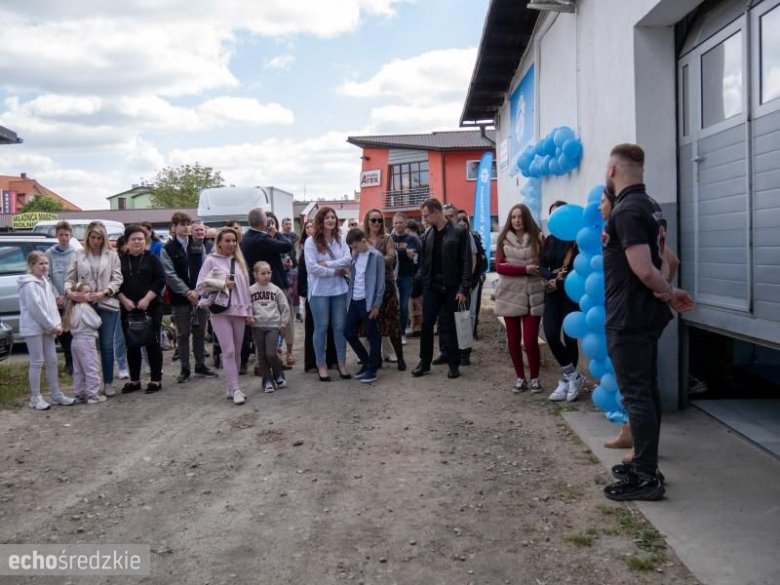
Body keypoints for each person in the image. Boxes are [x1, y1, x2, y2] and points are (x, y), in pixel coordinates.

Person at [601, 143, 694, 502]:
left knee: (636, 394)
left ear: (612, 170)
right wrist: (667, 286)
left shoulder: (626, 209)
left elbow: (644, 267)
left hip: (629, 317)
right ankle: (645, 463)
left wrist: (666, 291)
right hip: (643, 314)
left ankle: (644, 474)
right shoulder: (650, 206)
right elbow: (668, 259)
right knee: (647, 390)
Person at [411, 198, 471, 379]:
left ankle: (453, 364)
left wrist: (463, 289)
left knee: (450, 326)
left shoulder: (459, 232)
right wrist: (419, 285)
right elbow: (423, 263)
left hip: (452, 287)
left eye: (426, 215)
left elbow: (466, 262)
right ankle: (425, 362)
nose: (425, 219)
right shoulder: (428, 234)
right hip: (431, 287)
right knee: (427, 324)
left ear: (437, 212)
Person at [64, 222, 123, 397]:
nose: (96, 241)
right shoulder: (78, 254)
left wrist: (104, 292)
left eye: (99, 238)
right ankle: (86, 386)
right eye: (93, 237)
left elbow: (117, 278)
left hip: (106, 303)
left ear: (104, 238)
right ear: (87, 237)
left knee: (106, 345)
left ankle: (108, 382)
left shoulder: (112, 254)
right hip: (84, 304)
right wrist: (70, 293)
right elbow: (69, 278)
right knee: (85, 346)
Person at [197, 227, 253, 405]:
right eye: (227, 240)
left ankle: (232, 385)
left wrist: (249, 312)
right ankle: (236, 389)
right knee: (228, 351)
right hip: (220, 311)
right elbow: (199, 287)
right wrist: (222, 284)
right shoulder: (211, 260)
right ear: (219, 242)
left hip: (239, 310)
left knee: (236, 351)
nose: (231, 244)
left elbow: (245, 290)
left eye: (234, 240)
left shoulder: (239, 261)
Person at [161, 212, 218, 384]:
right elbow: (169, 275)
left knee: (200, 331)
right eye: (181, 224)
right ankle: (185, 368)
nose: (186, 227)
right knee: (183, 333)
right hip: (180, 299)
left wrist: (198, 291)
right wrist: (187, 292)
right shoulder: (167, 249)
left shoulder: (198, 246)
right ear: (174, 227)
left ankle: (200, 365)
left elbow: (205, 270)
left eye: (188, 223)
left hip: (199, 296)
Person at [494, 204, 545, 393]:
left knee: (531, 340)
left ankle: (535, 378)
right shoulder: (502, 240)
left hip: (534, 295)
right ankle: (520, 378)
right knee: (513, 340)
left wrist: (518, 267)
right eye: (514, 217)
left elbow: (543, 263)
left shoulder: (539, 238)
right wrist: (524, 269)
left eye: (520, 217)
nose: (517, 220)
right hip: (509, 295)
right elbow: (500, 267)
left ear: (526, 218)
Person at [18, 251, 76, 410]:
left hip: (48, 328)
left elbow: (51, 306)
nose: (44, 267)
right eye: (40, 264)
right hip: (34, 328)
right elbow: (36, 309)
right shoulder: (29, 284)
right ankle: (35, 398)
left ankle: (56, 394)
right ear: (31, 266)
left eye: (46, 263)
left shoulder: (44, 282)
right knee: (37, 361)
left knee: (52, 360)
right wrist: (51, 326)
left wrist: (56, 325)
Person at [541, 201, 584, 403]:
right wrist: (549, 276)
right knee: (550, 334)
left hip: (570, 294)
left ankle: (569, 381)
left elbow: (581, 270)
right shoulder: (549, 240)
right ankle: (572, 375)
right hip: (552, 293)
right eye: (552, 215)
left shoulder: (577, 241)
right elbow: (540, 264)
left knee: (570, 337)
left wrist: (559, 282)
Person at [242, 208, 295, 370]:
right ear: (263, 222)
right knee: (286, 318)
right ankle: (281, 357)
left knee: (263, 324)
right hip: (275, 283)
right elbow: (288, 245)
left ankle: (264, 362)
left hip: (257, 285)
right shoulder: (262, 239)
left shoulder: (246, 238)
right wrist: (277, 234)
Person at [304, 206, 352, 382]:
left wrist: (327, 264)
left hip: (339, 290)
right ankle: (320, 364)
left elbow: (348, 259)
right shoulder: (310, 242)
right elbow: (312, 268)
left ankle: (341, 362)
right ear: (320, 221)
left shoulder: (341, 240)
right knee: (321, 328)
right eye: (327, 217)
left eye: (333, 217)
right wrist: (334, 270)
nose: (331, 220)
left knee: (340, 327)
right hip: (319, 292)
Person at [116, 225, 166, 395]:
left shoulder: (152, 259)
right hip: (128, 308)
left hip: (151, 307)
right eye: (134, 239)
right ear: (127, 242)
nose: (137, 242)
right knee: (132, 345)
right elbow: (114, 283)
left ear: (145, 241)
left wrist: (146, 299)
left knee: (152, 343)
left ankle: (155, 380)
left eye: (140, 239)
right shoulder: (120, 260)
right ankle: (135, 380)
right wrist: (124, 300)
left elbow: (160, 280)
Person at [364, 209, 405, 371]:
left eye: (379, 220)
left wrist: (374, 260)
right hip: (368, 288)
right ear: (367, 221)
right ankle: (376, 358)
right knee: (373, 325)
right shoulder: (363, 239)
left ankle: (400, 358)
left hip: (386, 284)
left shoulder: (387, 238)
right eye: (373, 220)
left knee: (393, 323)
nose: (376, 223)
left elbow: (392, 257)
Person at [344, 228, 385, 384]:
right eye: (352, 248)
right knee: (348, 332)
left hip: (368, 302)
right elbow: (355, 277)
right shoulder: (356, 255)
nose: (353, 250)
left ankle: (372, 369)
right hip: (354, 300)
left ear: (363, 241)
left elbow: (381, 283)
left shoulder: (376, 257)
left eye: (355, 246)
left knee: (373, 335)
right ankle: (367, 362)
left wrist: (376, 305)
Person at [297, 220, 338, 373]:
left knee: (333, 327)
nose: (310, 229)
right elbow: (303, 272)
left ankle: (332, 360)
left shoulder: (330, 245)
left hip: (332, 290)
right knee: (313, 328)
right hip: (313, 293)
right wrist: (304, 291)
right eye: (307, 227)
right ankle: (312, 362)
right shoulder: (306, 248)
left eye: (312, 227)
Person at [249, 261, 290, 393]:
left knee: (271, 354)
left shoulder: (275, 289)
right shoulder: (251, 290)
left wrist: (283, 324)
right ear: (255, 275)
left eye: (268, 273)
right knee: (261, 356)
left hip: (273, 325)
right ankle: (267, 381)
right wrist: (249, 317)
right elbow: (246, 306)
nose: (266, 276)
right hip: (257, 326)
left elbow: (285, 307)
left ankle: (278, 375)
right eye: (263, 273)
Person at [62, 282, 105, 404]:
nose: (90, 294)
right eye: (86, 292)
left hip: (75, 342)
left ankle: (80, 393)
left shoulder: (72, 309)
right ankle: (93, 394)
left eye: (90, 291)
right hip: (86, 341)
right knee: (92, 367)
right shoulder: (85, 308)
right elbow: (96, 323)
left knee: (79, 369)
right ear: (78, 294)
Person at [45, 220, 78, 375]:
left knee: (71, 330)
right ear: (56, 235)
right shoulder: (49, 254)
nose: (64, 238)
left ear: (71, 236)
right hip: (56, 299)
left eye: (66, 235)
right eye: (61, 235)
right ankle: (67, 356)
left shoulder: (76, 253)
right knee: (62, 331)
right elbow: (47, 277)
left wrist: (68, 294)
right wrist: (57, 295)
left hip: (71, 298)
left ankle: (72, 360)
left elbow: (78, 275)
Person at [456, 210, 488, 362]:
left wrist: (469, 283)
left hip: (470, 282)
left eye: (464, 224)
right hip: (458, 283)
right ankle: (459, 348)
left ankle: (465, 350)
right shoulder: (453, 237)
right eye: (459, 224)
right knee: (460, 315)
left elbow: (476, 262)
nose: (461, 226)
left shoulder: (472, 238)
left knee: (468, 313)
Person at [391, 212, 419, 344]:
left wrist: (396, 253)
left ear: (405, 223)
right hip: (391, 276)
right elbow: (388, 254)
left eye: (400, 222)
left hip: (406, 276)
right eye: (395, 223)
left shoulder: (412, 239)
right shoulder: (389, 238)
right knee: (391, 306)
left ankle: (402, 333)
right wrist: (403, 252)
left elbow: (412, 255)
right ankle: (392, 333)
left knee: (403, 306)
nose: (398, 225)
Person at [280, 217, 302, 323]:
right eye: (286, 224)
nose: (288, 226)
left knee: (296, 291)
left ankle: (297, 313)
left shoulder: (295, 236)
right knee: (286, 292)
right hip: (283, 269)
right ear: (282, 225)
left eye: (290, 224)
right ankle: (286, 312)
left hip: (294, 267)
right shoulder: (279, 236)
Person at [406, 219, 423, 338]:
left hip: (416, 275)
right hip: (418, 275)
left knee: (415, 303)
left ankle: (416, 327)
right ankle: (416, 327)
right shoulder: (419, 239)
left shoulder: (414, 241)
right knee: (416, 303)